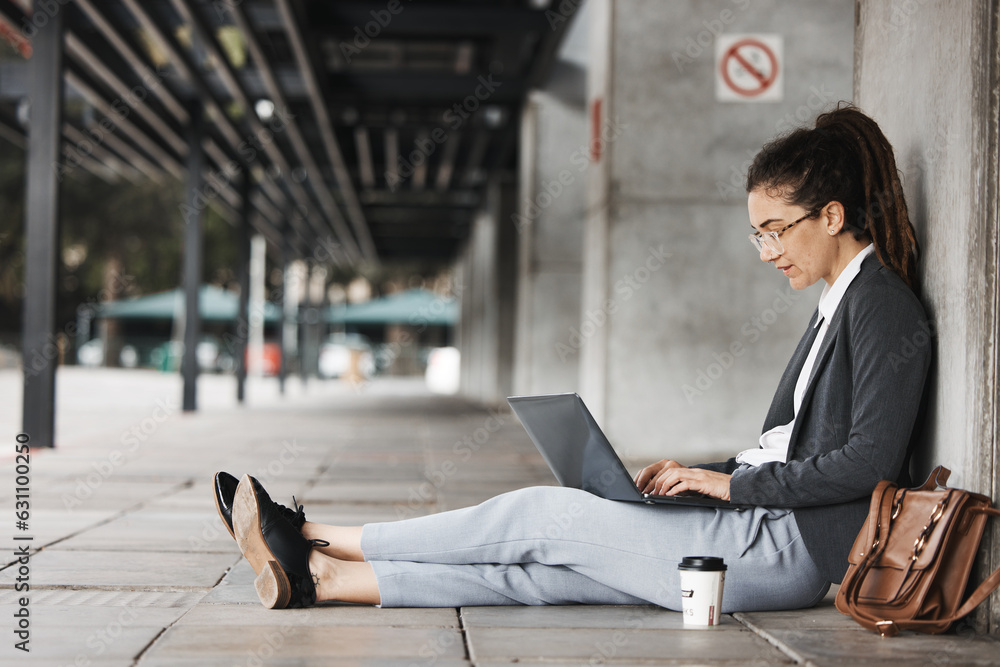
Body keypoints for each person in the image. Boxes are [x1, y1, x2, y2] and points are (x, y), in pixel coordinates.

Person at [214, 104, 931, 612]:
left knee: (535, 517)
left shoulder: (881, 304)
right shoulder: (838, 301)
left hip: (786, 551)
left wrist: (726, 487)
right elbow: (792, 444)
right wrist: (705, 472)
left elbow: (869, 462)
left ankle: (308, 533)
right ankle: (321, 580)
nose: (768, 251)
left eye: (776, 230)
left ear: (832, 215)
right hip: (760, 527)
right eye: (757, 235)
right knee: (541, 572)